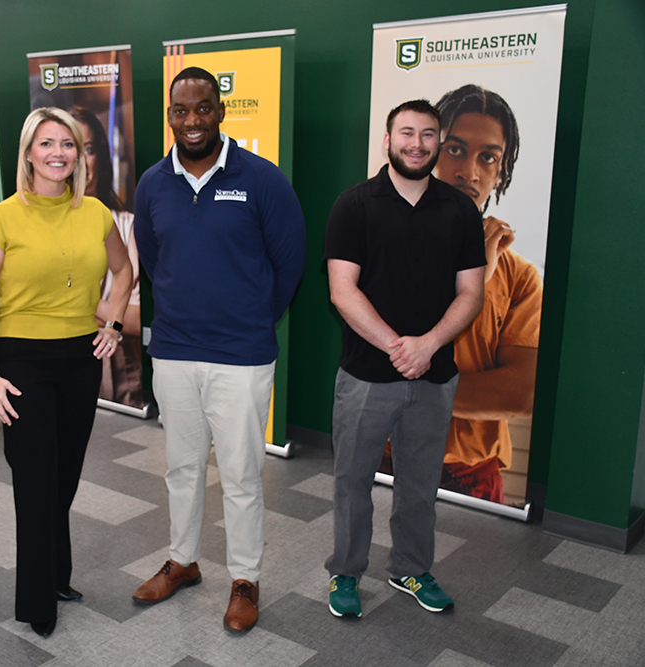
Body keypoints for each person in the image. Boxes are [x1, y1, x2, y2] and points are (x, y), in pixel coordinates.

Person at [132, 67, 306, 633]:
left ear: (220, 111)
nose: (191, 121)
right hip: (176, 351)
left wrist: (250, 317)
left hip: (241, 355)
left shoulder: (262, 179)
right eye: (180, 111)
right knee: (181, 468)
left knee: (240, 473)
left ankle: (245, 578)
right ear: (170, 117)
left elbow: (289, 266)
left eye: (202, 108)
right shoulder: (153, 183)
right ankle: (182, 561)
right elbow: (155, 264)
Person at [0, 107, 132, 638]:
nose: (59, 153)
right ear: (28, 153)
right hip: (22, 361)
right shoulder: (1, 218)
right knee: (35, 482)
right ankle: (38, 598)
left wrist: (112, 321)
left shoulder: (96, 213)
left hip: (79, 359)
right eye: (47, 143)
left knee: (62, 479)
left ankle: (56, 575)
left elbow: (124, 269)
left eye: (68, 144)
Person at [323, 100, 485, 619]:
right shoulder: (354, 204)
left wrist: (428, 345)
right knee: (353, 481)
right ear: (387, 140)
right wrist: (400, 346)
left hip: (435, 376)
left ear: (439, 141)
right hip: (367, 374)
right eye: (407, 133)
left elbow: (471, 293)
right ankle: (346, 572)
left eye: (428, 134)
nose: (417, 143)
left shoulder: (461, 210)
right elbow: (342, 292)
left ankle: (410, 568)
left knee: (419, 483)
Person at [433, 84, 542, 503]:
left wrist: (414, 389)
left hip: (471, 473)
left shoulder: (519, 276)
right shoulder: (388, 245)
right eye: (455, 150)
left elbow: (522, 392)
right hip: (389, 455)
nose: (469, 172)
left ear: (502, 169)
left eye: (488, 157)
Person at [69, 106, 144, 408]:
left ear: (100, 156)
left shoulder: (128, 227)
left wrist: (74, 301)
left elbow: (136, 320)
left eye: (87, 148)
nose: (78, 159)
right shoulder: (34, 226)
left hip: (116, 377)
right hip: (56, 363)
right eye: (68, 146)